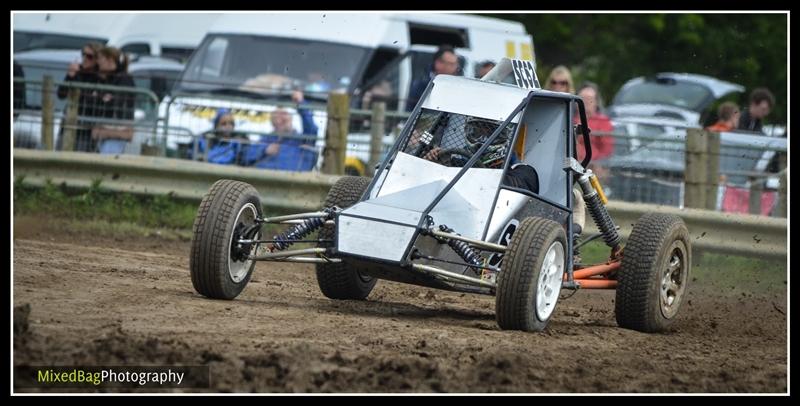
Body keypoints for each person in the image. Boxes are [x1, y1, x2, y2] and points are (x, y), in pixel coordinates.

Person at [243, 90, 319, 171]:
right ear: (272, 123)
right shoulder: (266, 139)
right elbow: (246, 156)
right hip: (262, 178)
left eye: (284, 115)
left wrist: (301, 103)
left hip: (292, 180)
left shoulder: (302, 140)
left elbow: (311, 127)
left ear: (291, 118)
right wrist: (264, 150)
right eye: (276, 117)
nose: (280, 119)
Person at [56, 42, 102, 152]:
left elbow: (84, 95)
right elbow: (61, 94)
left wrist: (75, 77)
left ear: (97, 59)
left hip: (86, 127)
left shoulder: (99, 76)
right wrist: (69, 75)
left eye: (89, 56)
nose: (85, 58)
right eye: (83, 54)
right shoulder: (77, 71)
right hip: (69, 122)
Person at [89, 46, 136, 155]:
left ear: (110, 60)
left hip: (117, 132)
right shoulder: (106, 79)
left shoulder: (124, 79)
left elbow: (114, 103)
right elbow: (96, 101)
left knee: (107, 162)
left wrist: (101, 98)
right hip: (105, 131)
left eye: (100, 58)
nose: (98, 62)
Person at [405, 45, 460, 111]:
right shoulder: (421, 86)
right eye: (450, 64)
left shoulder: (458, 88)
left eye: (454, 64)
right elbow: (409, 111)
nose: (453, 68)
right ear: (438, 63)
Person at [574, 82, 614, 162]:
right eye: (583, 99)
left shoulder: (603, 122)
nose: (586, 102)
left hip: (596, 166)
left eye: (590, 99)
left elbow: (607, 151)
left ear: (596, 102)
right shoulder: (569, 120)